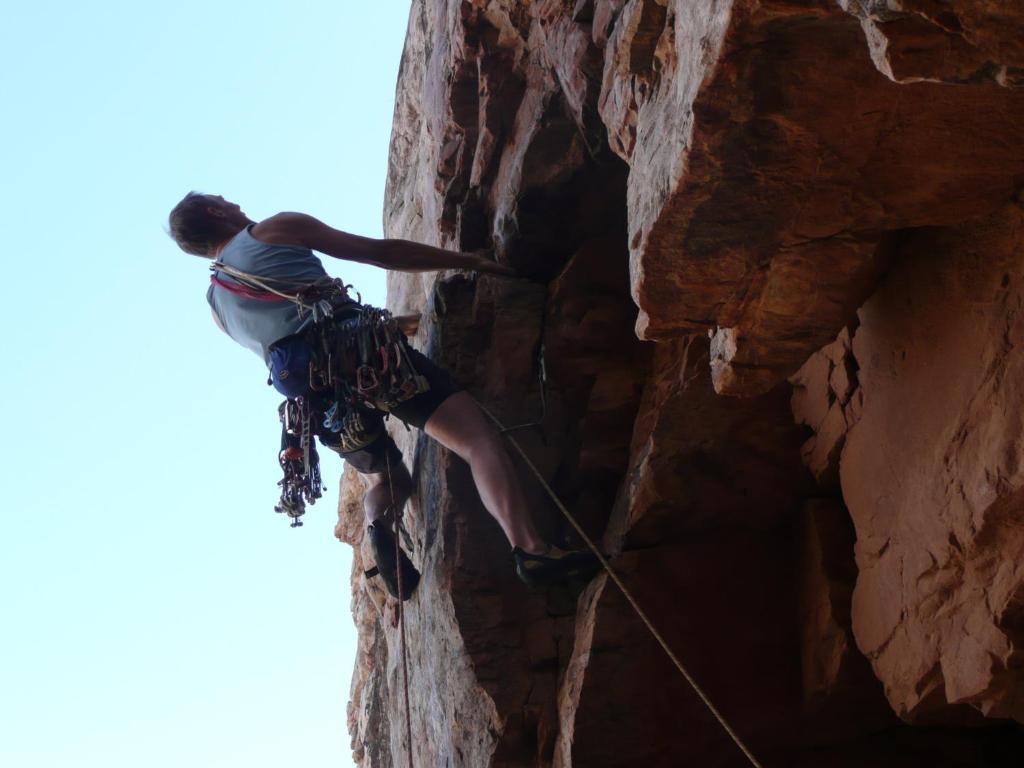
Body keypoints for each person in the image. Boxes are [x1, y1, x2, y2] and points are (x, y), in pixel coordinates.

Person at [168, 192, 598, 598]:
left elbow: (291, 331)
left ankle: (378, 523)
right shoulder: (275, 229)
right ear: (215, 214)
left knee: (387, 479)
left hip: (317, 404)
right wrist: (468, 261)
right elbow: (379, 252)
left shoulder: (217, 308)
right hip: (367, 358)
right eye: (223, 200)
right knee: (476, 440)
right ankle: (531, 549)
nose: (235, 203)